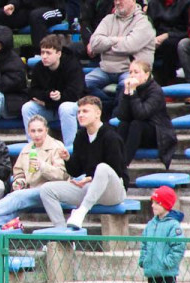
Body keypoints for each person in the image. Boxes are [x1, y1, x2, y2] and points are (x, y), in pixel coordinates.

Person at [0, 114, 68, 230]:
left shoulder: (56, 147)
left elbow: (62, 175)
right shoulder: (27, 149)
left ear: (46, 130)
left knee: (17, 197)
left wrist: (43, 166)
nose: (36, 134)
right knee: (14, 208)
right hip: (30, 191)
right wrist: (19, 182)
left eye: (40, 130)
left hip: (50, 191)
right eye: (33, 131)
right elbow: (18, 172)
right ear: (28, 132)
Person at [38, 96, 128, 230]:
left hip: (113, 191)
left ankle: (81, 212)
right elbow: (75, 171)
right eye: (79, 112)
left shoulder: (111, 136)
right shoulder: (80, 136)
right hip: (90, 188)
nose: (80, 115)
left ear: (98, 113)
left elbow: (117, 171)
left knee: (102, 168)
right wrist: (68, 159)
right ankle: (62, 232)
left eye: (85, 111)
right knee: (47, 189)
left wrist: (90, 178)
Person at [85, 0, 156, 105]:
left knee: (125, 87)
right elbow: (94, 44)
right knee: (82, 84)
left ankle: (115, 117)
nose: (117, 2)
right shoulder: (108, 19)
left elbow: (130, 46)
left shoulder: (144, 22)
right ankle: (107, 106)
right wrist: (118, 40)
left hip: (130, 70)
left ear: (133, 0)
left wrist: (106, 43)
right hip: (106, 69)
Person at [22, 33, 83, 147]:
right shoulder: (39, 67)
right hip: (50, 107)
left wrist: (54, 99)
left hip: (72, 108)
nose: (44, 56)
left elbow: (75, 94)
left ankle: (70, 150)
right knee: (27, 107)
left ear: (58, 54)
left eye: (48, 53)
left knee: (65, 107)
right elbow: (32, 91)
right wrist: (48, 96)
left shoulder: (72, 66)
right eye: (42, 52)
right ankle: (33, 148)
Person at [115, 60, 177, 168]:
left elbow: (142, 114)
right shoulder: (129, 87)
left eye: (136, 72)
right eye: (130, 72)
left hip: (158, 134)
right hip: (137, 133)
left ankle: (122, 166)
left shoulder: (155, 91)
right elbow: (122, 116)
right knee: (123, 125)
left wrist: (133, 93)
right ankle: (114, 161)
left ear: (146, 75)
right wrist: (126, 94)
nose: (132, 75)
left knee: (136, 124)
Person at [145, 0, 190, 86]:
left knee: (169, 44)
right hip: (156, 36)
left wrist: (167, 35)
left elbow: (189, 28)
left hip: (178, 36)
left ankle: (169, 83)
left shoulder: (187, 1)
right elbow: (149, 24)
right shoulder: (153, 3)